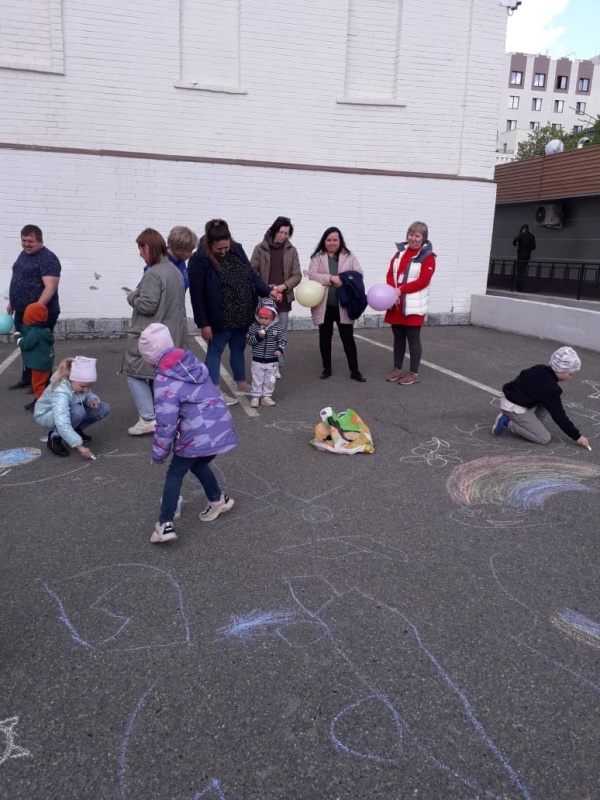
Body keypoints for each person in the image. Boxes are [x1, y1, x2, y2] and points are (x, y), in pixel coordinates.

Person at [138, 323, 239, 544]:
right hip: (220, 426)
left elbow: (166, 423)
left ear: (150, 358)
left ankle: (164, 524)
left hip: (198, 434)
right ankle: (218, 500)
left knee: (175, 473)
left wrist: (158, 454)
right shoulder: (191, 364)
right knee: (199, 464)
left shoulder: (164, 381)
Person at [187, 219, 280, 406]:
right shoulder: (199, 260)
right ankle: (214, 391)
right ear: (209, 244)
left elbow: (251, 274)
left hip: (243, 312)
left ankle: (241, 383)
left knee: (238, 349)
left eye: (226, 247)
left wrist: (267, 290)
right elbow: (197, 295)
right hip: (219, 317)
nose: (223, 251)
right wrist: (204, 323)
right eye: (218, 248)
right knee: (215, 351)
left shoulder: (237, 248)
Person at [123, 228, 189, 435]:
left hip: (152, 335)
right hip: (172, 334)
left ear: (147, 247)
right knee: (163, 377)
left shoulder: (153, 273)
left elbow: (148, 305)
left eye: (140, 249)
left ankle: (148, 417)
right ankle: (168, 415)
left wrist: (132, 296)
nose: (139, 254)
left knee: (134, 373)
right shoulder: (174, 270)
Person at [492, 346, 590, 448]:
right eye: (570, 374)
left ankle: (533, 423)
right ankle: (506, 422)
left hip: (512, 398)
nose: (570, 377)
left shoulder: (540, 368)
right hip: (513, 408)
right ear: (562, 371)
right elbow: (559, 416)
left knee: (549, 402)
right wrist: (577, 436)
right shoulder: (551, 388)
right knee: (543, 438)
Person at [308, 227, 366, 382]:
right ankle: (327, 369)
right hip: (324, 305)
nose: (332, 243)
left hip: (344, 305)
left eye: (335, 240)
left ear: (340, 241)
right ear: (324, 241)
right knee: (325, 337)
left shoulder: (349, 256)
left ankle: (355, 370)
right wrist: (331, 278)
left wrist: (344, 278)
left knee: (348, 338)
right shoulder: (318, 257)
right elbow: (312, 275)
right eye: (329, 240)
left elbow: (359, 274)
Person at [7, 225, 61, 390]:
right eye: (24, 240)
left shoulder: (48, 258)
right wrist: (12, 302)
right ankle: (28, 378)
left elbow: (50, 287)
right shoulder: (23, 254)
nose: (26, 244)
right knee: (26, 345)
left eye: (31, 241)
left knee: (40, 350)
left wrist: (35, 309)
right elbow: (19, 278)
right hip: (22, 311)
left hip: (41, 314)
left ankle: (42, 382)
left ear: (40, 240)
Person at [384, 221, 436, 386]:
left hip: (413, 305)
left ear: (423, 238)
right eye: (411, 234)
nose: (413, 238)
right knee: (398, 337)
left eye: (417, 235)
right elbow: (390, 274)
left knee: (413, 339)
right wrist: (393, 290)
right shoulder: (399, 253)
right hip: (396, 304)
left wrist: (401, 290)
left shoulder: (428, 257)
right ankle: (397, 369)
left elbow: (423, 281)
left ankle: (414, 373)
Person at [250, 216, 301, 376]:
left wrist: (284, 286)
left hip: (283, 298)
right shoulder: (260, 248)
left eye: (287, 233)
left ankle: (276, 365)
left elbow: (297, 275)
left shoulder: (291, 251)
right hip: (265, 298)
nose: (283, 236)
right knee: (263, 330)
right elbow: (252, 271)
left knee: (280, 332)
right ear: (274, 231)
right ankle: (261, 362)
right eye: (281, 232)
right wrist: (266, 288)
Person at [33, 356, 110, 459]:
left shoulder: (77, 383)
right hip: (46, 414)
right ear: (72, 378)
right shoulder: (60, 391)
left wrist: (92, 399)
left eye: (89, 386)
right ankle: (54, 437)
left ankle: (74, 429)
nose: (86, 389)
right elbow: (61, 420)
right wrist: (79, 446)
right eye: (83, 386)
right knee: (78, 411)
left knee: (103, 408)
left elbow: (87, 394)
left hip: (68, 410)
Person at [14, 302, 54, 412]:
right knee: (43, 384)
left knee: (38, 385)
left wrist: (18, 337)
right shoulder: (45, 330)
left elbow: (25, 345)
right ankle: (39, 401)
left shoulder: (34, 333)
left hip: (38, 364)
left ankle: (41, 405)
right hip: (45, 363)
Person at [246, 299, 286, 408]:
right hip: (257, 359)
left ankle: (266, 397)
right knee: (257, 378)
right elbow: (249, 340)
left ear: (272, 317)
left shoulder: (278, 328)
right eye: (261, 318)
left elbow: (282, 341)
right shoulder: (255, 327)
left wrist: (279, 349)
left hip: (272, 360)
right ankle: (255, 396)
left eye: (266, 318)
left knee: (270, 379)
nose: (263, 320)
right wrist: (258, 337)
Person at [512, 224, 536, 292]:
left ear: (523, 229)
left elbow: (515, 240)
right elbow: (534, 247)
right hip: (528, 255)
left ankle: (519, 288)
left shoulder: (522, 234)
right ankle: (522, 286)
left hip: (521, 255)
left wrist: (516, 244)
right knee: (524, 269)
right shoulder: (532, 236)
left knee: (520, 270)